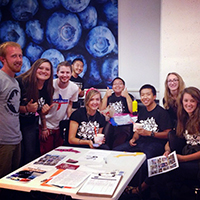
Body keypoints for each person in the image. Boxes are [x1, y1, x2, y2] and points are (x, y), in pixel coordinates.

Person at [131, 87, 200, 199]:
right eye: (186, 101)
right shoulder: (184, 118)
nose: (188, 104)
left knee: (161, 173)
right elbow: (175, 137)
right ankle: (143, 190)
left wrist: (183, 158)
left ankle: (141, 189)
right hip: (185, 154)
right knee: (157, 166)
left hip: (195, 161)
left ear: (198, 102)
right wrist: (167, 149)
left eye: (192, 101)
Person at [16, 58, 54, 165]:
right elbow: (9, 107)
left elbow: (41, 111)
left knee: (32, 155)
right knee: (20, 157)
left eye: (47, 69)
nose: (44, 71)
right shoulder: (21, 82)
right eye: (40, 68)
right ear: (34, 69)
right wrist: (26, 109)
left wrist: (44, 124)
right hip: (15, 125)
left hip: (32, 123)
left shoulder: (48, 88)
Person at [39, 61, 79, 155]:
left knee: (60, 155)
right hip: (46, 125)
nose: (64, 75)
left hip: (61, 126)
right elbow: (41, 108)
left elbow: (70, 104)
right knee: (46, 155)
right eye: (62, 72)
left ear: (71, 73)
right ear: (57, 73)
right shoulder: (49, 86)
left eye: (67, 72)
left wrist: (70, 122)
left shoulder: (74, 88)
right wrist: (44, 127)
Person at [0, 41, 23, 178]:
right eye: (14, 56)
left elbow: (12, 108)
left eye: (20, 56)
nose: (19, 60)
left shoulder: (14, 82)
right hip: (3, 142)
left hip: (16, 139)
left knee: (12, 185)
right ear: (3, 59)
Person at [100, 77, 133, 149]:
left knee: (121, 134)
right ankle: (107, 148)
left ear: (124, 86)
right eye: (115, 84)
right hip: (110, 123)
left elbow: (132, 110)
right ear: (112, 87)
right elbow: (102, 110)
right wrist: (105, 96)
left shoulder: (129, 96)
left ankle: (115, 149)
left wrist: (127, 96)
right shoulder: (109, 96)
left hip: (123, 124)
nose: (117, 85)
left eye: (120, 84)